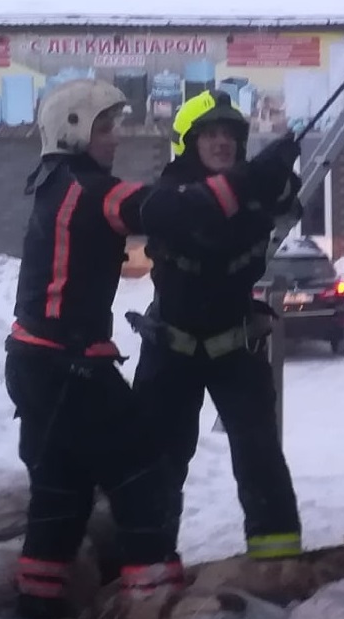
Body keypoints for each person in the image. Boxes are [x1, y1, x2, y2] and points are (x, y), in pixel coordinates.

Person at [6, 78, 299, 619]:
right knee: (143, 472)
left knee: (60, 485)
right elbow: (175, 212)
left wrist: (268, 183)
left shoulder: (56, 182)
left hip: (38, 360)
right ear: (73, 130)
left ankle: (36, 610)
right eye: (105, 127)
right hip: (72, 363)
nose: (115, 137)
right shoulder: (93, 190)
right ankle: (152, 605)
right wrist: (253, 177)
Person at [130, 90, 306, 563]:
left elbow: (287, 206)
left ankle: (278, 561)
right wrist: (254, 180)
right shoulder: (171, 193)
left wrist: (280, 176)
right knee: (159, 465)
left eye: (230, 134)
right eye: (210, 134)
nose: (222, 142)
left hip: (235, 347)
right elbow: (204, 226)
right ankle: (149, 567)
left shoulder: (254, 189)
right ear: (190, 143)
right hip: (171, 351)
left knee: (260, 458)